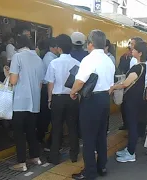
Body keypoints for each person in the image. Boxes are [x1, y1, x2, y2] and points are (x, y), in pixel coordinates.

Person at [71, 30, 115, 180]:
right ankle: (101, 166)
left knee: (89, 138)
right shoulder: (109, 60)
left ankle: (90, 172)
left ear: (90, 44)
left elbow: (80, 81)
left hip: (91, 101)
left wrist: (73, 92)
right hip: (104, 99)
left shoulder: (89, 60)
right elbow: (110, 84)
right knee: (101, 135)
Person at [5, 35, 45, 171]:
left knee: (18, 132)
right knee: (31, 131)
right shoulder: (39, 59)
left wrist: (7, 73)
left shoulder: (18, 56)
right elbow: (40, 84)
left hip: (20, 101)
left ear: (17, 45)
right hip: (34, 102)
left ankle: (21, 163)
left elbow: (13, 80)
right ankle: (35, 157)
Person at [111, 41, 147, 163]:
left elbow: (125, 84)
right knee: (133, 125)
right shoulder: (144, 66)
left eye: (134, 49)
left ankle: (131, 153)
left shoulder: (137, 67)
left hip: (132, 101)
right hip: (137, 99)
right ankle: (128, 149)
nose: (131, 50)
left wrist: (112, 87)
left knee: (132, 126)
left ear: (140, 53)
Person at [45, 34, 80, 165]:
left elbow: (50, 83)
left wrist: (49, 99)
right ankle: (74, 155)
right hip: (72, 98)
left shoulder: (53, 63)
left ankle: (54, 157)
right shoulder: (77, 63)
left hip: (57, 98)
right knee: (72, 127)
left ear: (59, 48)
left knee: (57, 127)